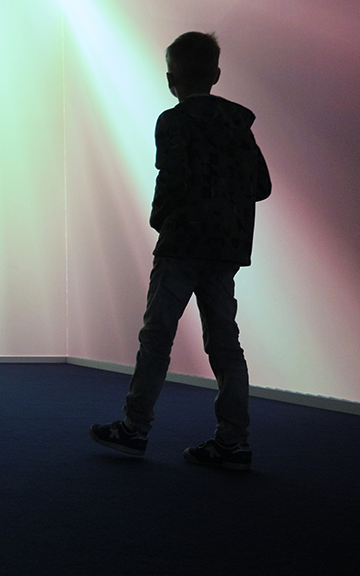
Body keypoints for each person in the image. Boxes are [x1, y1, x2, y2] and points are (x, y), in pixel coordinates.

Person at [90, 31, 271, 470]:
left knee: (157, 336)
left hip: (182, 244)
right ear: (216, 74)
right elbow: (262, 186)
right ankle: (233, 440)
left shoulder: (174, 121)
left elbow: (170, 179)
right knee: (225, 343)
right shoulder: (238, 123)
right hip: (225, 249)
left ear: (172, 79)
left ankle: (135, 427)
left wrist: (161, 218)